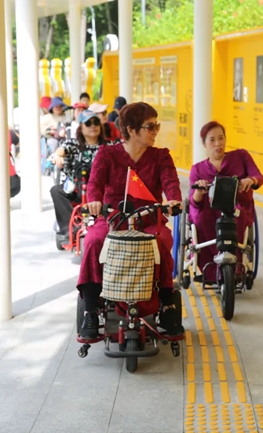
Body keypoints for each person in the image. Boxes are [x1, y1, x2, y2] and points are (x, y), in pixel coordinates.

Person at [77, 102, 183, 340]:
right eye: (150, 126)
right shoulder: (107, 154)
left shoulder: (161, 156)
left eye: (157, 125)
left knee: (163, 240)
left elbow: (170, 182)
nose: (155, 130)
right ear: (131, 129)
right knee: (94, 241)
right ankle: (91, 310)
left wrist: (174, 199)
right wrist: (94, 201)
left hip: (148, 219)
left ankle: (167, 305)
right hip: (113, 218)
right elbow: (94, 184)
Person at [189, 121, 263, 282]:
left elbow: (258, 177)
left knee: (237, 215)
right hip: (208, 207)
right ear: (204, 144)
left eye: (221, 138)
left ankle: (234, 264)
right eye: (212, 140)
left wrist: (250, 180)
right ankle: (211, 269)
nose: (218, 144)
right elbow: (194, 202)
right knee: (201, 218)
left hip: (236, 204)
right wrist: (199, 192)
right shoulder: (197, 169)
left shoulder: (241, 156)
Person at [50, 110, 112, 244]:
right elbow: (62, 149)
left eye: (96, 122)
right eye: (88, 123)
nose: (93, 126)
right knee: (56, 191)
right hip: (78, 189)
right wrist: (59, 156)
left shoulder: (108, 147)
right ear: (81, 128)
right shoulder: (73, 144)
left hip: (101, 193)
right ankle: (69, 230)